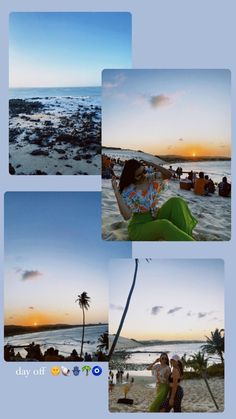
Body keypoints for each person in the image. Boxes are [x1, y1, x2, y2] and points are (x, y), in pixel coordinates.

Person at [111, 159, 197, 241]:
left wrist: (152, 164)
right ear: (131, 177)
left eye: (144, 171)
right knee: (164, 225)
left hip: (155, 216)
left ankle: (186, 237)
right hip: (139, 227)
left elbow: (169, 175)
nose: (143, 176)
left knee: (176, 201)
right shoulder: (128, 191)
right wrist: (116, 193)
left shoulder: (150, 178)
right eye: (139, 175)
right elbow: (127, 216)